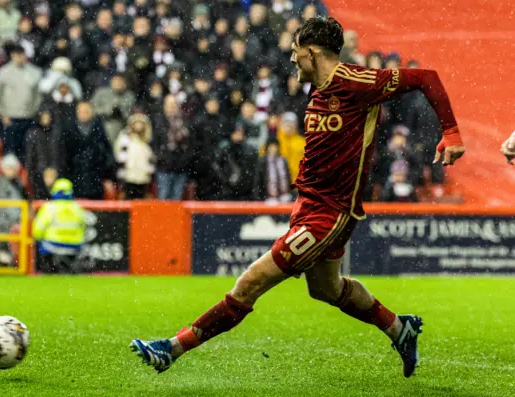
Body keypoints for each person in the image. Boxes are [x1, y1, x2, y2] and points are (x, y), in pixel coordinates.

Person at [130, 16, 466, 378]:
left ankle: (173, 348)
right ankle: (400, 328)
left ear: (312, 52)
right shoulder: (316, 90)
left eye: (294, 52)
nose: (290, 59)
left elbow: (427, 77)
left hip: (332, 213)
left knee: (251, 282)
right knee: (325, 289)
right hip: (309, 205)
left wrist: (451, 133)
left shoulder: (357, 81)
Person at [0, 44, 42, 163]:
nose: (19, 58)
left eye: (21, 55)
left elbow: (38, 95)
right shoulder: (4, 72)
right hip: (11, 117)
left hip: (28, 117)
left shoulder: (35, 72)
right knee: (10, 151)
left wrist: (34, 111)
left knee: (27, 151)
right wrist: (2, 114)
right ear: (12, 56)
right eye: (16, 56)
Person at [33, 178, 88, 274]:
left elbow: (38, 229)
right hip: (74, 246)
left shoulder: (49, 207)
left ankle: (49, 269)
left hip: (53, 245)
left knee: (40, 245)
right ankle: (68, 269)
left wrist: (38, 239)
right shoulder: (77, 208)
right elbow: (83, 227)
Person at [0, 154, 27, 265]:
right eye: (8, 168)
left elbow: (23, 201)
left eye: (13, 168)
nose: (11, 171)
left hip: (18, 218)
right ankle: (4, 251)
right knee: (2, 224)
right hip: (4, 218)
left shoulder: (20, 184)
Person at [114, 113, 155, 200]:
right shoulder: (125, 139)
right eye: (136, 122)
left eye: (141, 123)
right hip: (128, 178)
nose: (138, 125)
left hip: (143, 179)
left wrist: (150, 183)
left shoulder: (148, 141)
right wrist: (121, 183)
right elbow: (121, 160)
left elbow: (151, 162)